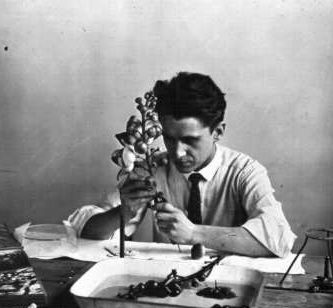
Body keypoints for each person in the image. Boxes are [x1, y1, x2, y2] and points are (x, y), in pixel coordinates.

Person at [68, 72, 296, 258]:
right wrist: (124, 212)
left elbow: (278, 239)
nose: (177, 152)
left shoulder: (244, 172)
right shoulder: (151, 167)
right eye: (169, 138)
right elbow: (86, 233)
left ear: (218, 132)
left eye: (190, 140)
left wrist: (195, 233)